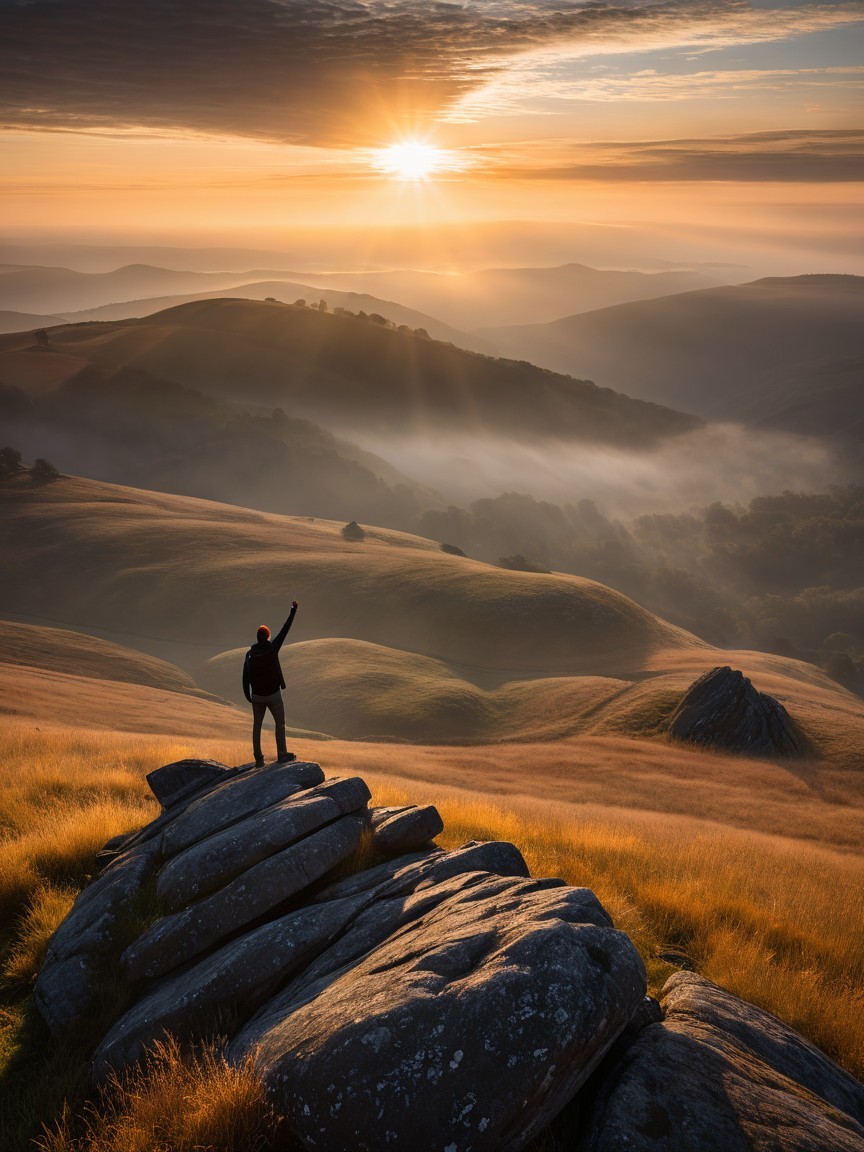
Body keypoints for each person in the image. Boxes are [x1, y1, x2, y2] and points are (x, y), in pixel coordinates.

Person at [242, 600, 299, 767]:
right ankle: (282, 754)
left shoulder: (249, 654)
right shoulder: (272, 648)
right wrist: (293, 611)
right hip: (273, 695)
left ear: (257, 637)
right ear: (267, 637)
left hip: (257, 696)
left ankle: (258, 758)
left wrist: (248, 695)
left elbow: (245, 676)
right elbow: (285, 630)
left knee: (257, 726)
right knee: (280, 724)